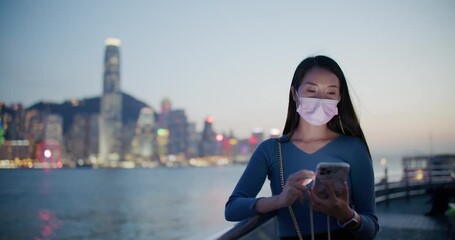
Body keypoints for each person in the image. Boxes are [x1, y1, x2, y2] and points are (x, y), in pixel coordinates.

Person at [225, 55, 379, 239]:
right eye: (311, 90)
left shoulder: (354, 148)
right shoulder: (271, 150)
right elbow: (232, 209)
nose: (321, 99)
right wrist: (279, 201)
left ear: (340, 98)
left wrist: (345, 213)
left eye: (330, 93)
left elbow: (371, 228)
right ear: (294, 93)